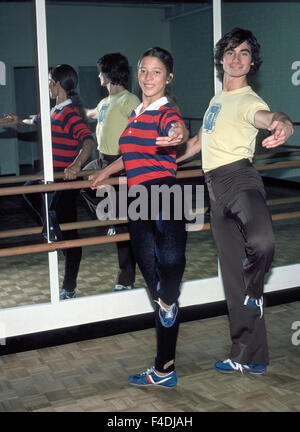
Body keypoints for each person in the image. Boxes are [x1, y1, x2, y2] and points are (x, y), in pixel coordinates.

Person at [176, 28, 294, 374]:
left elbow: (269, 118)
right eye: (229, 51)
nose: (235, 58)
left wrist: (282, 124)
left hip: (240, 180)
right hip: (213, 188)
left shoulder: (249, 100)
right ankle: (248, 357)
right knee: (232, 278)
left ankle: (254, 287)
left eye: (243, 53)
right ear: (221, 60)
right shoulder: (216, 100)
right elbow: (198, 142)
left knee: (262, 241)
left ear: (252, 62)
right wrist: (165, 160)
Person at [90, 47, 189, 387]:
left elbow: (176, 128)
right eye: (143, 70)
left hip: (163, 193)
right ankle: (164, 370)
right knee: (154, 280)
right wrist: (106, 173)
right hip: (136, 199)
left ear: (168, 77)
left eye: (156, 71)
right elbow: (128, 155)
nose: (148, 77)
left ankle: (169, 299)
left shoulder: (165, 111)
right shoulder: (134, 115)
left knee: (172, 262)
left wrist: (178, 133)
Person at [0, 64, 95, 300]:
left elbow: (88, 141)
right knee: (28, 191)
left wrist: (75, 165)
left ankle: (69, 287)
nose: (47, 86)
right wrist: (17, 120)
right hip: (51, 176)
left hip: (65, 179)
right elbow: (36, 119)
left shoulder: (70, 113)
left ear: (58, 85)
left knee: (70, 233)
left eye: (50, 81)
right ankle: (51, 228)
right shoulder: (54, 111)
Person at [82, 53, 140, 292]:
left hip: (122, 164)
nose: (98, 76)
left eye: (100, 72)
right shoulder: (105, 102)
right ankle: (108, 216)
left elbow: (142, 121)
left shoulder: (129, 100)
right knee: (82, 181)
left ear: (109, 74)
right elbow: (90, 114)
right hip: (102, 160)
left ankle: (125, 280)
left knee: (126, 225)